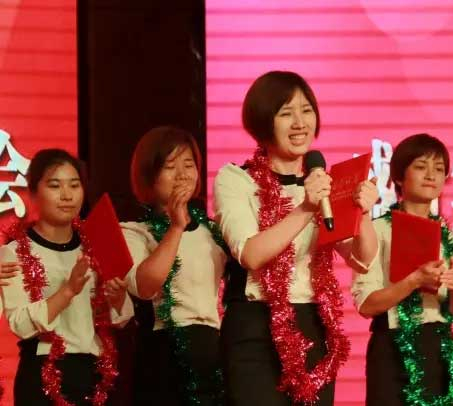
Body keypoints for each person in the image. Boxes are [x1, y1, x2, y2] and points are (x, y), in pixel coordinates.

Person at [214, 70, 379, 405]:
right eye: (286, 113)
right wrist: (306, 207)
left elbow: (362, 259)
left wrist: (363, 215)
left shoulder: (325, 184)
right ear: (263, 121)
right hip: (255, 326)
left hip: (313, 324)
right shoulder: (236, 179)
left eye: (306, 110)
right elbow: (251, 254)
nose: (300, 123)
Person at [0, 148, 133, 405]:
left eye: (74, 185)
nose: (67, 195)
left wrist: (117, 297)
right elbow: (20, 323)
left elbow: (121, 317)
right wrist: (67, 291)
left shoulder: (98, 244)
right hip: (42, 374)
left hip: (95, 375)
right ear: (33, 193)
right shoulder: (13, 252)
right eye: (54, 185)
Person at [351, 134, 453, 406]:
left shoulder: (450, 239)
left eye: (439, 168)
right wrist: (414, 280)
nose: (431, 175)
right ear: (398, 177)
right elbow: (366, 305)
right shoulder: (377, 230)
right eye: (420, 166)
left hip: (440, 349)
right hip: (391, 347)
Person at [122, 126, 227, 405]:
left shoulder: (213, 231)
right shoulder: (135, 232)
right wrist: (176, 227)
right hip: (163, 352)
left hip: (210, 349)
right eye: (170, 166)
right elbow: (145, 286)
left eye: (189, 164)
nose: (182, 174)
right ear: (149, 175)